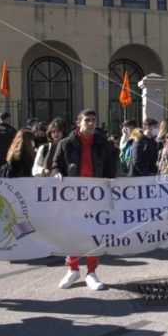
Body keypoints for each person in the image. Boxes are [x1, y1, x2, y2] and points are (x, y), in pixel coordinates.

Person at [51, 109, 117, 290]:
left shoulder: (103, 144)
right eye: (87, 120)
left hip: (96, 196)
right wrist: (56, 174)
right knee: (72, 232)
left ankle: (92, 272)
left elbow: (112, 165)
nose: (91, 123)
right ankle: (73, 270)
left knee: (93, 233)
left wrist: (111, 179)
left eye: (94, 120)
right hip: (73, 197)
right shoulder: (66, 144)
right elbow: (56, 166)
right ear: (78, 122)